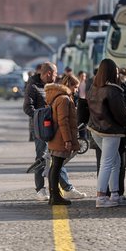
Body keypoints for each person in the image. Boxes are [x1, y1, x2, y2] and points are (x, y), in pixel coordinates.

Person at [23, 62, 85, 201]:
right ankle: (40, 189)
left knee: (57, 157)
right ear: (48, 73)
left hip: (54, 128)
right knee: (42, 158)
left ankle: (66, 188)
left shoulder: (53, 86)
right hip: (41, 128)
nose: (57, 76)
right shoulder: (33, 86)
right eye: (55, 73)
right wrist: (42, 116)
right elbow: (27, 107)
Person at [87, 58, 126, 208]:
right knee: (107, 162)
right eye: (117, 71)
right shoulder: (113, 90)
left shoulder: (93, 87)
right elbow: (120, 113)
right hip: (111, 131)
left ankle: (115, 194)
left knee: (115, 161)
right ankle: (101, 197)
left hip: (95, 129)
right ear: (113, 72)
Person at [45, 74, 82, 205]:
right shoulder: (64, 99)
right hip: (60, 137)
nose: (76, 90)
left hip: (55, 136)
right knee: (56, 167)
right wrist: (68, 140)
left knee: (55, 166)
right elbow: (63, 121)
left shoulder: (56, 97)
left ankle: (54, 195)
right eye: (75, 87)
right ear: (68, 85)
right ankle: (55, 196)